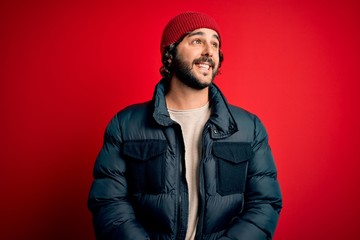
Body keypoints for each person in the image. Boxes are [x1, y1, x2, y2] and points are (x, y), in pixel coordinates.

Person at [88, 12, 282, 240]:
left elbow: (264, 204)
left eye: (215, 43)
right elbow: (109, 203)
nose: (209, 52)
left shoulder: (249, 128)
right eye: (197, 41)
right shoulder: (125, 125)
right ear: (170, 55)